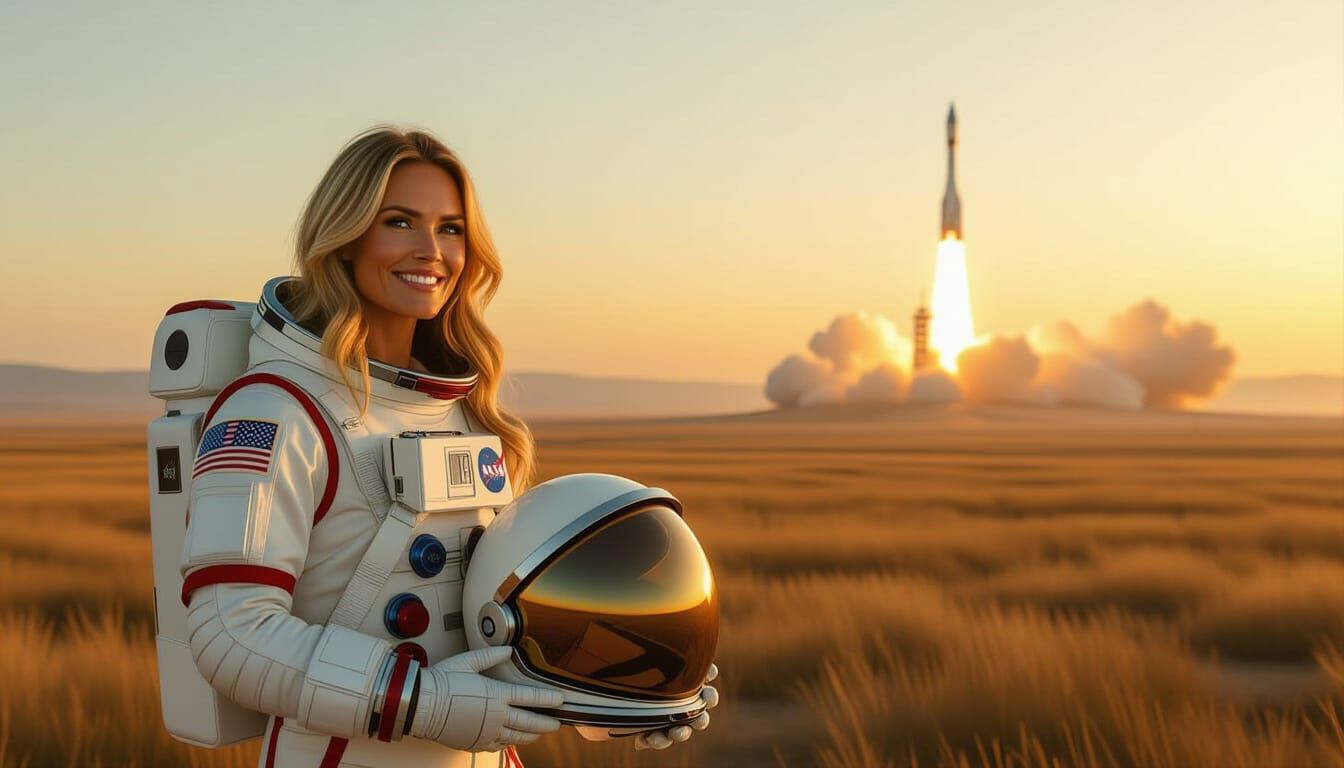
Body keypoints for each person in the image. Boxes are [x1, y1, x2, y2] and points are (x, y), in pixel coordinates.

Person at [178, 126, 713, 768]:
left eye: (451, 228)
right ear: (346, 237)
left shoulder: (464, 413)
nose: (431, 250)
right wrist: (424, 703)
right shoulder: (276, 410)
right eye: (400, 221)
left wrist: (623, 700)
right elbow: (232, 634)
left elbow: (492, 631)